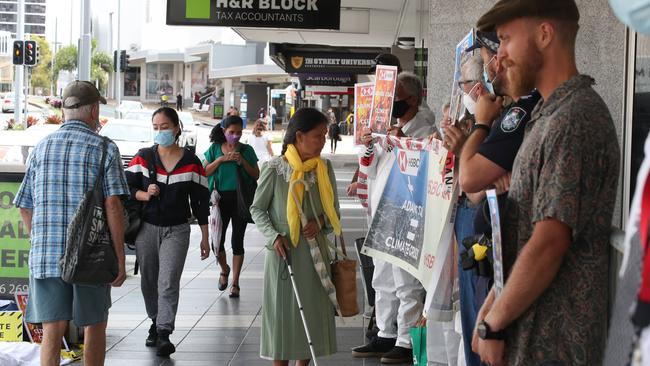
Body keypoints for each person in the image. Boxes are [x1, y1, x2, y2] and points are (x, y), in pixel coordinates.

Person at [471, 1, 620, 365]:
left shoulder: (574, 118)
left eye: (506, 39)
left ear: (544, 34)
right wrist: (492, 307)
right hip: (533, 337)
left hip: (556, 344)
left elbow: (549, 242)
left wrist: (494, 323)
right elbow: (527, 235)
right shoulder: (547, 114)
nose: (499, 55)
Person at [14, 81, 129, 366]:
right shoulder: (104, 148)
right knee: (94, 325)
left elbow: (24, 205)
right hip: (92, 257)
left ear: (64, 111)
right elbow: (113, 205)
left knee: (53, 330)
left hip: (47, 255)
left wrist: (38, 241)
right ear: (93, 110)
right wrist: (120, 257)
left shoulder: (41, 148)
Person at [352, 72, 439, 364]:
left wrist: (402, 142)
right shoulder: (389, 128)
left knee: (406, 280)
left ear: (413, 99)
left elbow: (427, 161)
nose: (392, 107)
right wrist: (369, 142)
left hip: (406, 214)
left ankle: (406, 339)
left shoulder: (425, 128)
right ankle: (385, 332)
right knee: (382, 277)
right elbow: (370, 166)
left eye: (397, 100)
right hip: (382, 213)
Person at [250, 107, 341, 365]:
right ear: (299, 136)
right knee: (283, 319)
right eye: (318, 135)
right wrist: (273, 236)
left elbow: (333, 211)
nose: (323, 141)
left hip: (315, 255)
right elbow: (257, 208)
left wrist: (319, 221)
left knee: (309, 317)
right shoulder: (275, 168)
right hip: (284, 253)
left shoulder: (324, 169)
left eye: (325, 135)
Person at [125, 107, 211, 357]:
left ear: (176, 128)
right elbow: (125, 189)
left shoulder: (191, 162)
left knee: (168, 280)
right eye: (155, 128)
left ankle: (164, 332)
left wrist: (206, 237)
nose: (160, 132)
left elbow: (201, 202)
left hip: (178, 229)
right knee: (149, 280)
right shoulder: (143, 158)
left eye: (164, 127)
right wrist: (144, 194)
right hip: (147, 228)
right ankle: (154, 320)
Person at [203, 116, 259, 298]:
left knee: (237, 241)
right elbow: (204, 172)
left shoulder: (246, 150)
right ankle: (224, 268)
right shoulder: (214, 149)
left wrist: (242, 161)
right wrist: (220, 160)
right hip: (219, 200)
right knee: (216, 242)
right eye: (231, 133)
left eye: (239, 133)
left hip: (240, 200)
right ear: (223, 130)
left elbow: (256, 174)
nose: (235, 136)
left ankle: (235, 282)